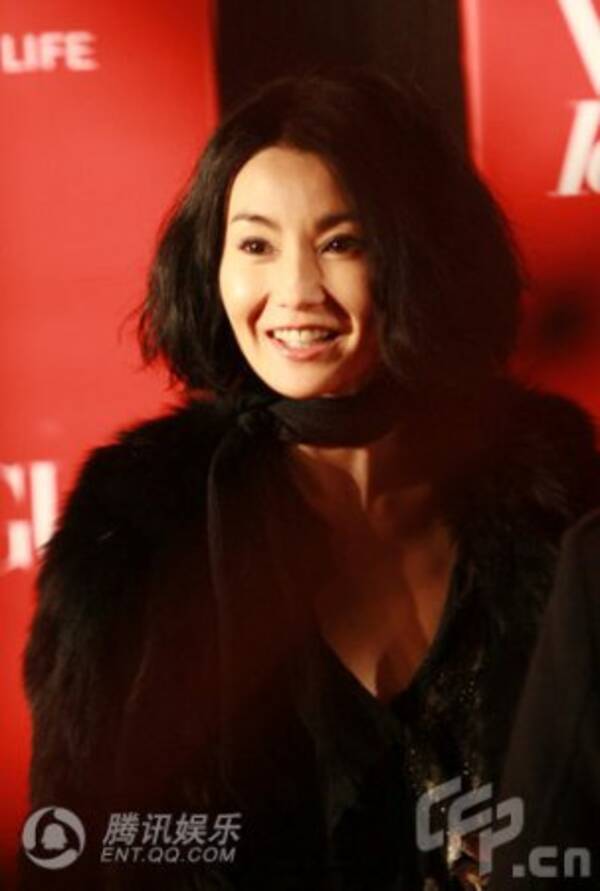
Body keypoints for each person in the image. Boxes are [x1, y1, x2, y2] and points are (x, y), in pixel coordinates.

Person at [19, 67, 600, 890]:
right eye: (256, 244)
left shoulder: (561, 500)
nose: (294, 292)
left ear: (421, 259)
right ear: (211, 264)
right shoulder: (136, 531)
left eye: (341, 242)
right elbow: (70, 853)